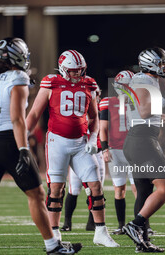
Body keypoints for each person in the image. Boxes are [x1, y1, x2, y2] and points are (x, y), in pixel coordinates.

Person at [0, 38, 81, 255]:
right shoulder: (18, 77)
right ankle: (52, 246)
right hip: (8, 141)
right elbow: (17, 118)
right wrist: (23, 149)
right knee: (36, 195)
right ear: (15, 56)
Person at [26, 50, 119, 247]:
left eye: (80, 71)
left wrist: (93, 139)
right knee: (56, 189)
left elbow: (93, 117)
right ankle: (54, 234)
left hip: (80, 144)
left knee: (96, 186)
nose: (78, 74)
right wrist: (23, 136)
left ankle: (100, 232)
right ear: (63, 69)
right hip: (57, 142)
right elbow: (34, 112)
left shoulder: (89, 84)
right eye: (73, 71)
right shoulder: (51, 82)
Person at [122, 47, 165, 252]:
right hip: (142, 141)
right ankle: (136, 225)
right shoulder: (144, 81)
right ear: (150, 64)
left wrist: (159, 116)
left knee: (144, 192)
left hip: (139, 139)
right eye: (162, 63)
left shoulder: (145, 80)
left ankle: (141, 243)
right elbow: (144, 111)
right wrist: (163, 106)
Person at [61, 86, 105, 232]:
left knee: (97, 190)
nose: (96, 97)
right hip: (80, 153)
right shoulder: (78, 111)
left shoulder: (100, 111)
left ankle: (92, 222)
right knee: (74, 189)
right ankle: (67, 222)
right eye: (94, 94)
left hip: (97, 153)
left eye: (97, 94)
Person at [99, 70, 138, 235]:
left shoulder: (137, 102)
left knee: (138, 189)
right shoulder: (108, 102)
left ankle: (143, 224)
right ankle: (122, 225)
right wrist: (105, 148)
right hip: (116, 150)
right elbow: (104, 128)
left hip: (134, 149)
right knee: (119, 190)